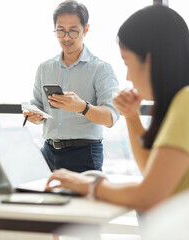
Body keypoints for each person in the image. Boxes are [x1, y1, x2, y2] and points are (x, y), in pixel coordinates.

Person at [45, 5, 189, 212]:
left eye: (127, 63)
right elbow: (150, 171)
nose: (128, 77)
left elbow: (148, 196)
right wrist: (131, 116)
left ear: (150, 59)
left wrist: (89, 185)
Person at [24, 1, 120, 173]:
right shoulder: (44, 68)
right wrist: (35, 116)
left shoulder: (101, 69)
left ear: (86, 30)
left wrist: (81, 107)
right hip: (47, 152)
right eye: (60, 30)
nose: (66, 37)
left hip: (84, 154)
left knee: (81, 201)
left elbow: (110, 117)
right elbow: (38, 106)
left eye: (73, 31)